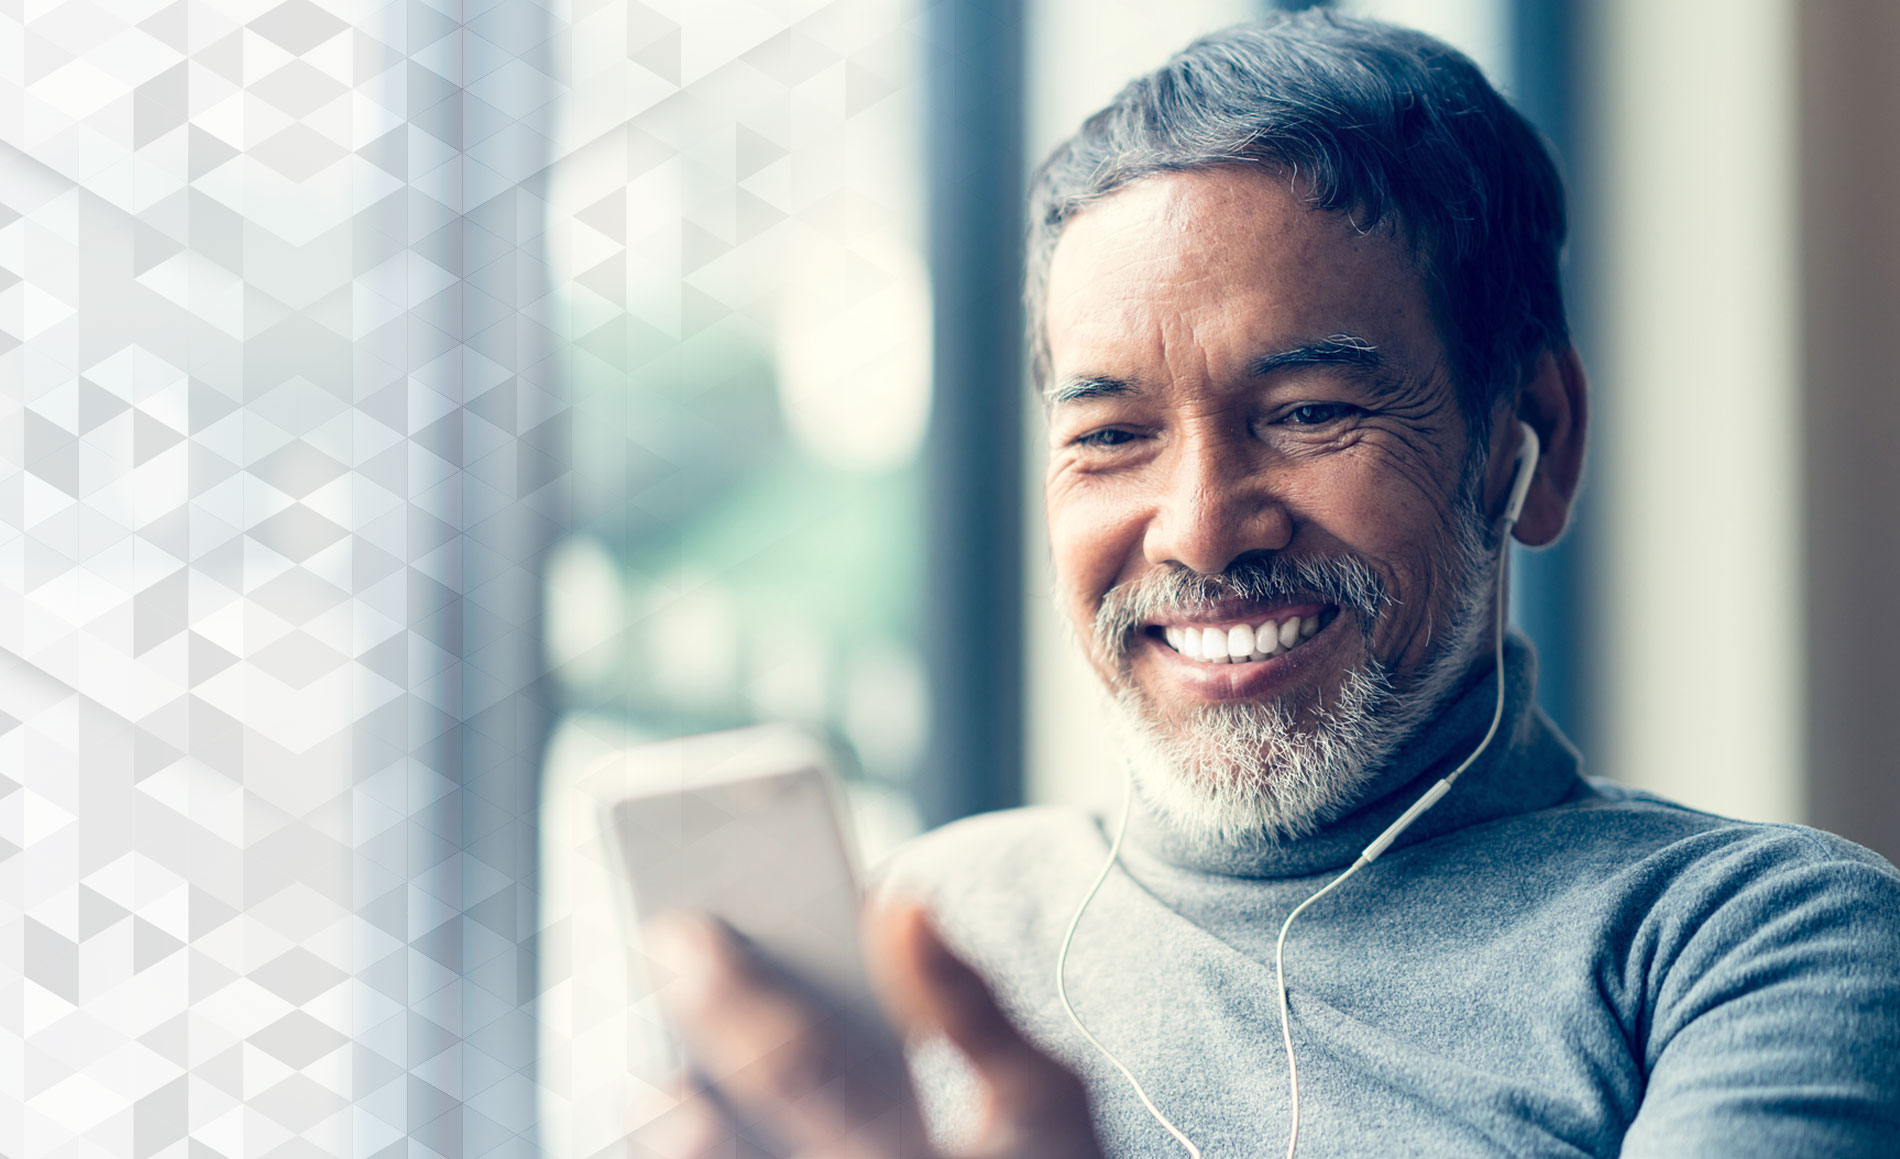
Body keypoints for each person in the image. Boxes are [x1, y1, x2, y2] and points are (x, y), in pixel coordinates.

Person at [633, 12, 1900, 1158]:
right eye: (1112, 435)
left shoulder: (1753, 946)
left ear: (1537, 441)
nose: (1196, 532)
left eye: (1307, 412)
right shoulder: (928, 933)